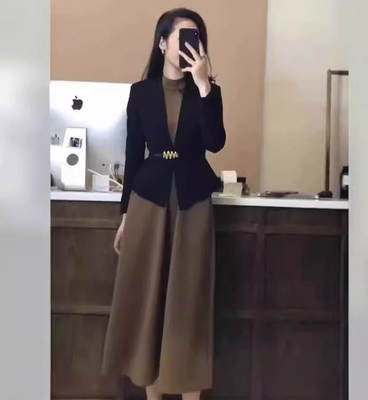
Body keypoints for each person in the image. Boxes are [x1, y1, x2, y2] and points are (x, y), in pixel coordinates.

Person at [100, 8, 226, 400]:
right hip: (148, 200)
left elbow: (215, 143)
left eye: (196, 38)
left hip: (192, 202)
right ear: (162, 43)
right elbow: (132, 156)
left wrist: (204, 87)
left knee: (188, 301)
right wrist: (124, 216)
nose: (191, 45)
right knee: (148, 300)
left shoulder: (209, 92)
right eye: (183, 36)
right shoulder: (141, 93)